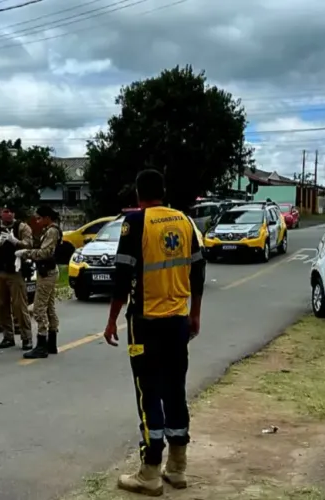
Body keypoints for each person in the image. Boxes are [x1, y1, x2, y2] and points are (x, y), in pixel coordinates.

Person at [103, 169, 206, 496]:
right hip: (178, 321)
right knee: (175, 389)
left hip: (146, 323)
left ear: (138, 193)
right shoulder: (185, 222)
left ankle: (149, 472)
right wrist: (195, 315)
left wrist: (111, 321)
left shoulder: (135, 222)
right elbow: (198, 273)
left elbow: (121, 277)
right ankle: (177, 468)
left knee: (148, 391)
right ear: (163, 192)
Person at [0, 205, 34, 350]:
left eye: (11, 211)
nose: (9, 214)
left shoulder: (22, 227)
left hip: (15, 271)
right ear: (0, 213)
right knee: (0, 306)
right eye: (6, 211)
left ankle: (26, 337)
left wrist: (15, 241)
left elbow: (29, 244)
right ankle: (8, 336)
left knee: (20, 306)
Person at [18, 205, 63, 359]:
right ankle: (51, 343)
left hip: (47, 273)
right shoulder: (49, 230)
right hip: (47, 271)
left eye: (39, 218)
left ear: (47, 218)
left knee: (39, 309)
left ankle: (42, 343)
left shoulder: (52, 231)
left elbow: (45, 252)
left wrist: (26, 253)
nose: (37, 221)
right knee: (49, 307)